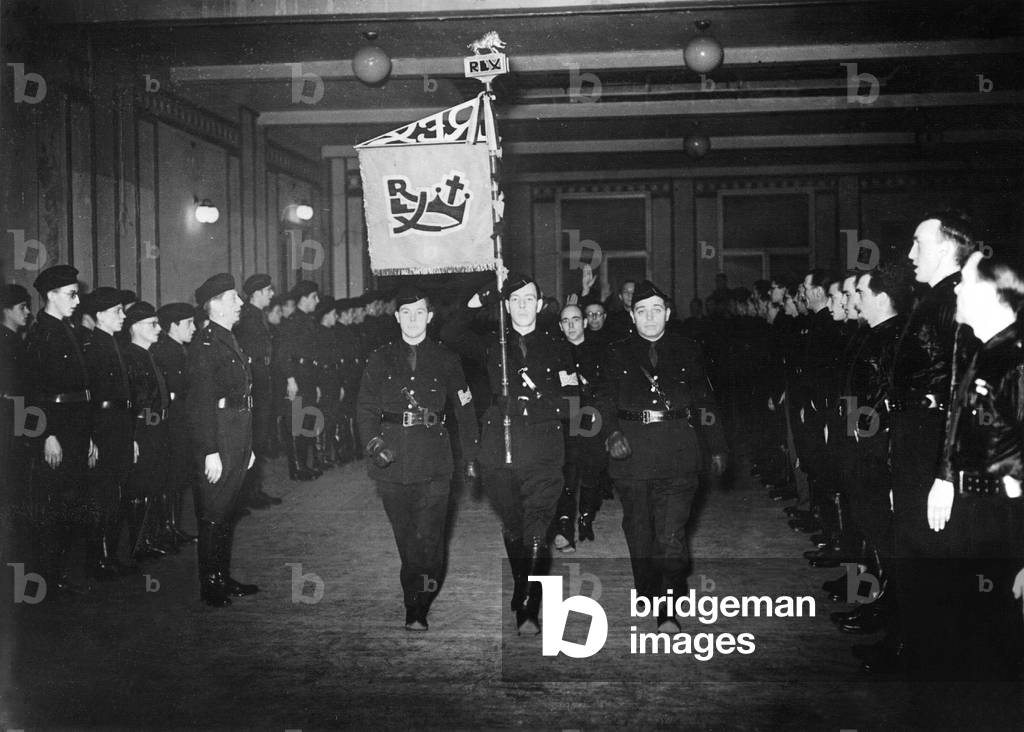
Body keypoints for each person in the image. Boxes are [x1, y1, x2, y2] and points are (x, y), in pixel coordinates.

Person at [869, 210, 975, 676]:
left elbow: (960, 389)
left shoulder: (955, 299)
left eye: (918, 243)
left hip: (932, 439)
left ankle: (922, 656)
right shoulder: (933, 298)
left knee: (926, 553)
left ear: (947, 247)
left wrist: (943, 472)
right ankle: (910, 646)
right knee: (910, 546)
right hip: (916, 436)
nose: (910, 253)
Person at [598, 280, 727, 631]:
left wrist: (716, 445)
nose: (650, 317)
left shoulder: (688, 349)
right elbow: (603, 401)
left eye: (656, 310)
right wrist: (611, 433)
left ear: (668, 313)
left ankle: (668, 605)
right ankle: (647, 589)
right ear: (631, 316)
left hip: (678, 450)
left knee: (671, 532)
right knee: (640, 530)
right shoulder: (616, 351)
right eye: (642, 311)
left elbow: (705, 401)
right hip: (632, 453)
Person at [460, 273, 579, 634]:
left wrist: (533, 406)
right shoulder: (490, 344)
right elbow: (450, 332)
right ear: (506, 305)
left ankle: (528, 604)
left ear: (540, 306)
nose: (523, 305)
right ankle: (522, 582)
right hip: (500, 450)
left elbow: (573, 402)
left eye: (530, 299)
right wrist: (484, 296)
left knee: (538, 525)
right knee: (514, 525)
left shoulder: (558, 346)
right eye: (515, 300)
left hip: (543, 446)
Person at [924, 249, 1024, 680]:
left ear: (992, 291)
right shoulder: (984, 353)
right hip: (978, 517)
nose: (957, 289)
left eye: (965, 280)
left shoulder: (1015, 360)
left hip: (1003, 522)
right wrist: (946, 478)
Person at [356, 286, 479, 631]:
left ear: (430, 316)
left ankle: (417, 603)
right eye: (405, 313)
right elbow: (365, 408)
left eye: (419, 313)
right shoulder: (379, 358)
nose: (412, 320)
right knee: (406, 537)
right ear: (396, 318)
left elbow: (465, 410)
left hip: (435, 461)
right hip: (391, 460)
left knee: (429, 539)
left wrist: (471, 455)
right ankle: (416, 588)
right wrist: (374, 444)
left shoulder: (446, 358)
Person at [25, 265, 97, 593]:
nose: (76, 300)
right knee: (55, 503)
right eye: (70, 294)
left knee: (71, 501)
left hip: (76, 425)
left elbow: (81, 388)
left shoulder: (67, 329)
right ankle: (48, 577)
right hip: (57, 429)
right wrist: (47, 435)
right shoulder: (42, 334)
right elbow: (34, 390)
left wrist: (90, 436)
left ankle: (60, 574)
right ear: (50, 295)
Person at [186, 273, 257, 606]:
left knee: (227, 508)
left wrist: (248, 445)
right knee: (214, 510)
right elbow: (200, 404)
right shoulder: (205, 344)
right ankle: (210, 583)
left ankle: (222, 576)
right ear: (213, 304)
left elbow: (242, 395)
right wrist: (209, 451)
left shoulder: (228, 338)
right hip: (220, 433)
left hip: (236, 431)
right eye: (232, 297)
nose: (239, 303)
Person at [80, 288, 137, 578]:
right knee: (104, 495)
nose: (123, 316)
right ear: (100, 315)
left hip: (119, 425)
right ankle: (99, 559)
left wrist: (131, 435)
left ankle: (109, 555)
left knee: (117, 493)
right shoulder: (92, 347)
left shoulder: (114, 344)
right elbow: (88, 397)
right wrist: (91, 438)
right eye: (117, 311)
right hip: (103, 426)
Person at [550, 303, 607, 551]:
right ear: (560, 325)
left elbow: (606, 388)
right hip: (566, 420)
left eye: (576, 319)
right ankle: (564, 527)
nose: (571, 325)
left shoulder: (599, 350)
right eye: (566, 321)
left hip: (592, 418)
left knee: (592, 472)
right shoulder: (554, 353)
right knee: (568, 473)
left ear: (585, 322)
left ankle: (586, 516)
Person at [122, 302, 173, 561]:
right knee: (141, 485)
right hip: (143, 429)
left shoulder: (148, 354)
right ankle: (138, 544)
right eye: (152, 324)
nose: (159, 329)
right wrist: (133, 437)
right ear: (135, 328)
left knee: (154, 482)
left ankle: (149, 539)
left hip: (156, 427)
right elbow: (132, 403)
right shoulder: (131, 357)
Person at [151, 302, 200, 545]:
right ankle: (167, 528)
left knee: (179, 473)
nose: (194, 327)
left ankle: (173, 526)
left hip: (182, 415)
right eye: (189, 323)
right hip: (173, 419)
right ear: (173, 326)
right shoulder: (166, 352)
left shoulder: (180, 349)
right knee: (173, 474)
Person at [234, 274, 282, 506]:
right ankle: (248, 494)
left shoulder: (257, 316)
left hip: (263, 379)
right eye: (268, 291)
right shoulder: (247, 319)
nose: (272, 294)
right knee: (253, 439)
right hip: (255, 383)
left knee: (260, 439)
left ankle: (255, 489)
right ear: (257, 294)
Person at [276, 280, 322, 481]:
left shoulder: (308, 320)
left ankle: (304, 464)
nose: (317, 301)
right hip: (297, 375)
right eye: (314, 297)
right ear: (304, 299)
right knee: (296, 421)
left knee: (306, 421)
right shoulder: (292, 322)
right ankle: (296, 467)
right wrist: (290, 379)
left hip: (309, 375)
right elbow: (283, 353)